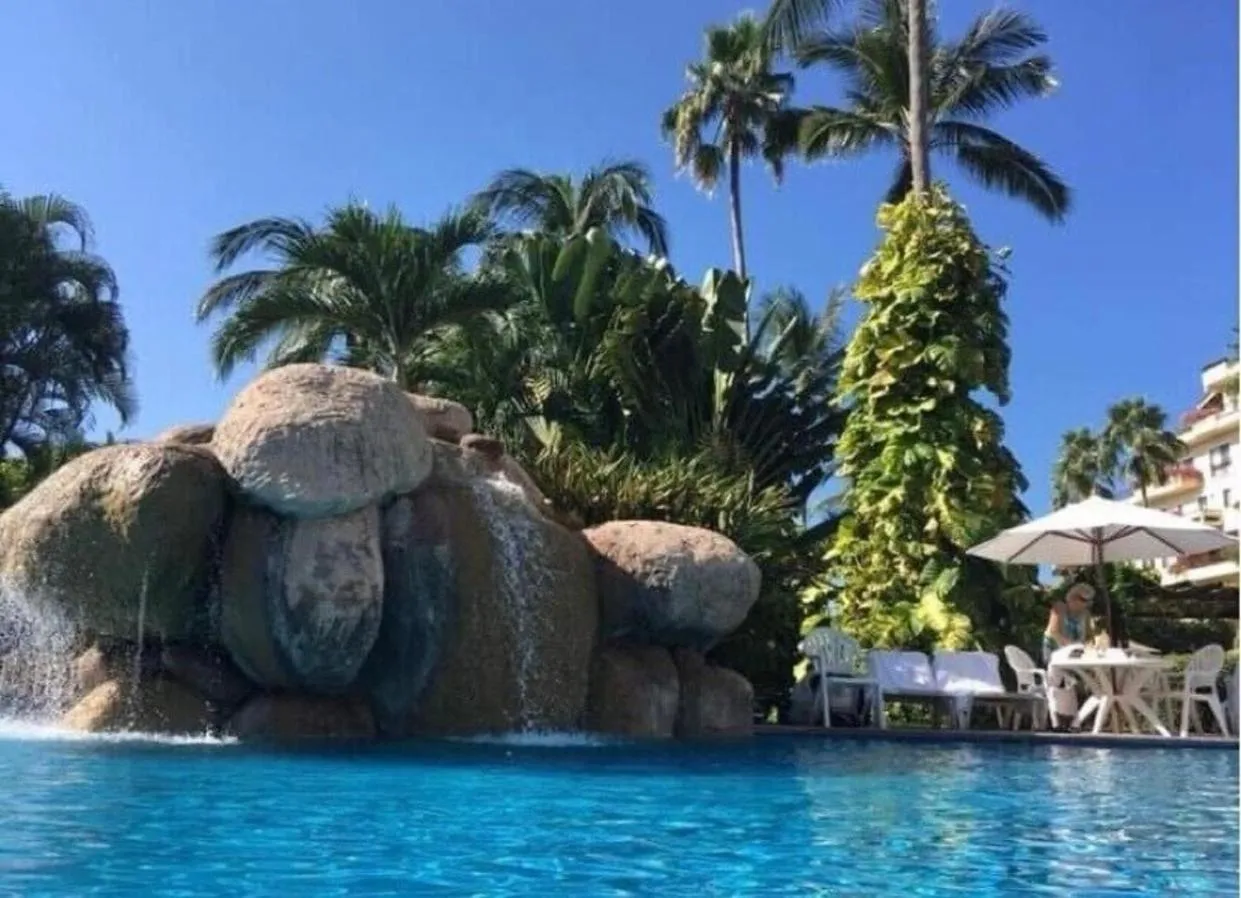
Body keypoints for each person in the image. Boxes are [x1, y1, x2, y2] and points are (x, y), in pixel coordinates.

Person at [1042, 582, 1095, 665]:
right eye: (1083, 600)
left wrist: (1089, 645)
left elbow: (1089, 635)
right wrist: (1070, 647)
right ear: (1072, 597)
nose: (1086, 604)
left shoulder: (1086, 614)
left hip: (1076, 653)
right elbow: (1054, 632)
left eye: (1088, 601)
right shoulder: (1059, 608)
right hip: (1054, 650)